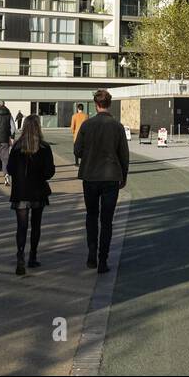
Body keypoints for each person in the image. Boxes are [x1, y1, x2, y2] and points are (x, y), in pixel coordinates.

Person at [73, 88, 129, 274]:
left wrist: (88, 155)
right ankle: (103, 259)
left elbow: (77, 150)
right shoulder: (117, 126)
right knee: (107, 220)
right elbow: (124, 155)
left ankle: (91, 254)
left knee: (91, 215)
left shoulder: (87, 125)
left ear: (96, 104)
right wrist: (124, 176)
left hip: (90, 176)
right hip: (111, 176)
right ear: (109, 104)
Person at [6, 115, 55, 276]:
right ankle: (33, 256)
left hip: (20, 191)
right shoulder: (44, 147)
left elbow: (10, 169)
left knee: (21, 226)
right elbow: (49, 172)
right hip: (38, 191)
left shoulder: (17, 147)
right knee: (36, 225)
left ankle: (20, 254)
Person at [70, 103, 88, 167]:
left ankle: (77, 163)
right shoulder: (86, 116)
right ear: (83, 109)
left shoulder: (74, 116)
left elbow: (72, 127)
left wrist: (73, 132)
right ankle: (83, 162)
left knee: (76, 149)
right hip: (84, 135)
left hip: (77, 135)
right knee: (84, 149)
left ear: (78, 109)